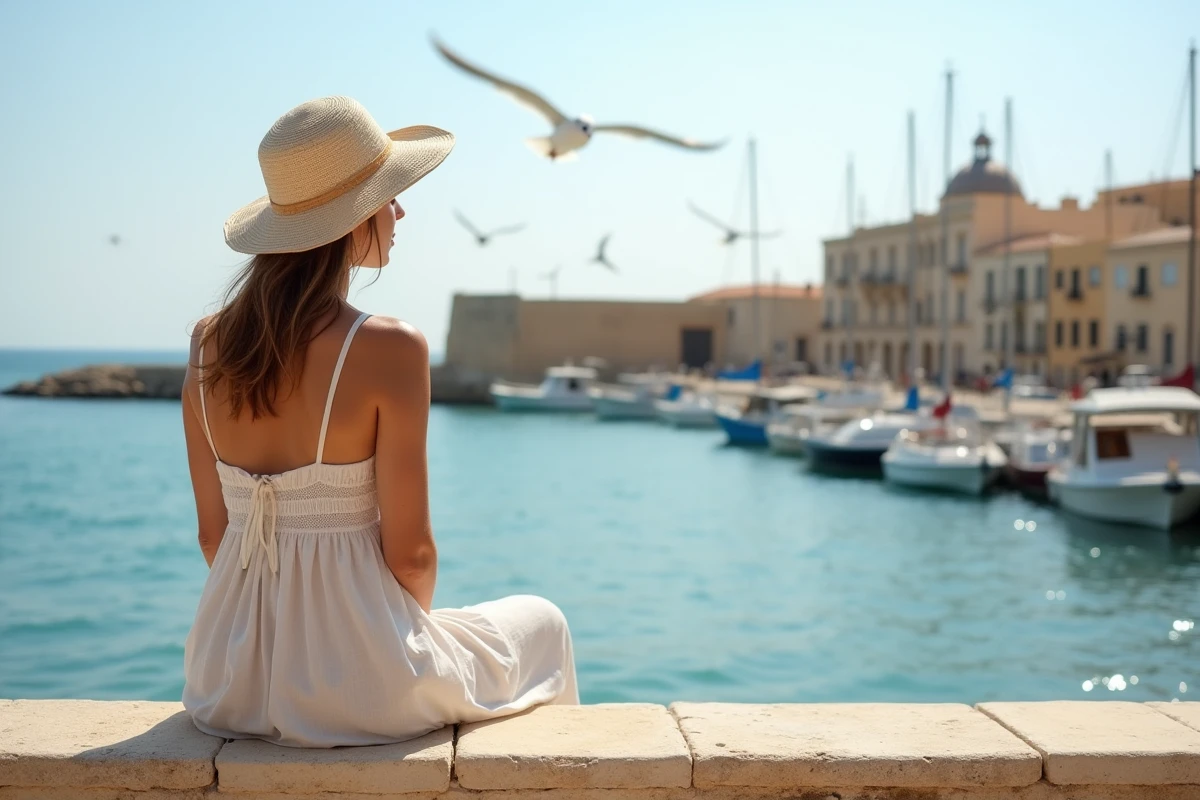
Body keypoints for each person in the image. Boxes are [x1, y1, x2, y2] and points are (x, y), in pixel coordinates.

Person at [180, 97, 578, 748]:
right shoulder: (390, 347)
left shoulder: (206, 344)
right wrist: (384, 639)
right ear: (354, 217)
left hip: (226, 678)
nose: (400, 211)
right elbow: (411, 555)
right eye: (388, 196)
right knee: (545, 622)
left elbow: (212, 536)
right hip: (360, 685)